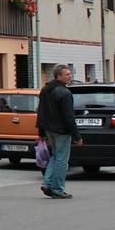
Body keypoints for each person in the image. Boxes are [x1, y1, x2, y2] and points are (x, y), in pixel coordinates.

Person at [37, 63, 81, 199]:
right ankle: (57, 188)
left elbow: (41, 111)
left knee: (55, 156)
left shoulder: (45, 90)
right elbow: (69, 117)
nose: (70, 76)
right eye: (67, 74)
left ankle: (47, 183)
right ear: (58, 76)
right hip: (61, 130)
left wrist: (41, 131)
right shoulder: (64, 93)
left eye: (70, 74)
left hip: (49, 129)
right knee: (62, 160)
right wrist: (76, 136)